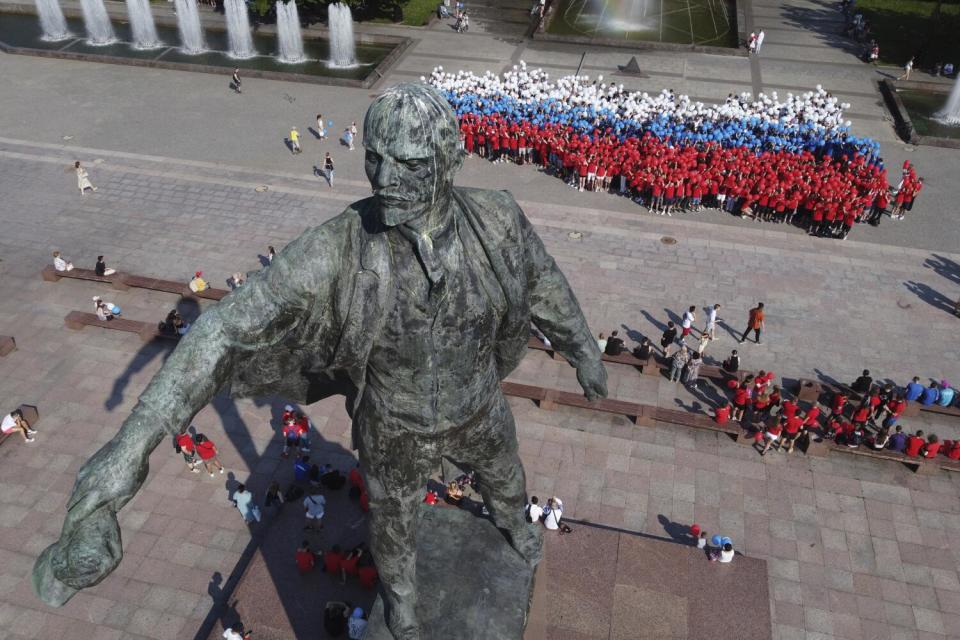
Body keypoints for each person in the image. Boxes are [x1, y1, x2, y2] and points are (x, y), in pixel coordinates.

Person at [35, 84, 608, 640]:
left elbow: (544, 284)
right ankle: (401, 602)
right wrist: (132, 444)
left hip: (478, 403)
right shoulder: (339, 246)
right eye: (375, 159)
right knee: (393, 523)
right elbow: (225, 327)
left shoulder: (498, 220)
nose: (384, 180)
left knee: (506, 478)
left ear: (449, 159)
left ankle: (512, 523)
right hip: (394, 425)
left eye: (407, 164)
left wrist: (582, 348)